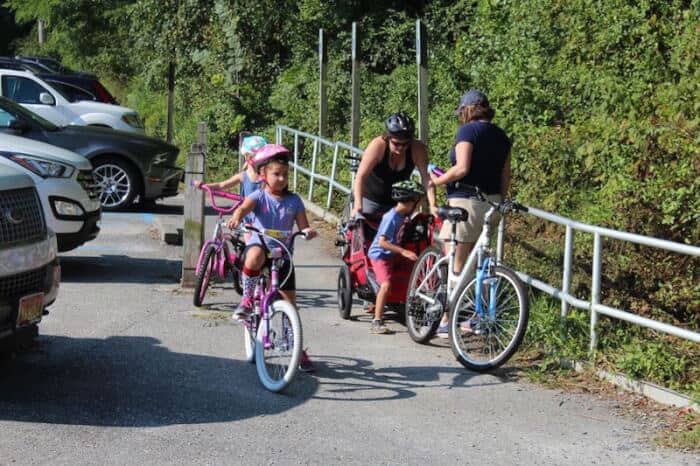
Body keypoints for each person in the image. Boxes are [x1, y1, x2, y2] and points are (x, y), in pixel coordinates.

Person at [226, 143, 317, 370]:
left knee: (290, 305)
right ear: (263, 175)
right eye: (276, 174)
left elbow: (303, 225)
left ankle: (294, 345)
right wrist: (237, 218)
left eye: (285, 175)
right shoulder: (258, 196)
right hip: (261, 247)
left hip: (282, 256)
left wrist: (307, 231)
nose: (281, 179)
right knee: (254, 254)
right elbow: (243, 208)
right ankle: (247, 299)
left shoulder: (294, 201)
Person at [429, 89, 511, 338]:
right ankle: (477, 316)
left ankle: (446, 319)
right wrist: (500, 202)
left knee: (457, 261)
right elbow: (505, 176)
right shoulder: (502, 136)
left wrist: (438, 181)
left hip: (465, 202)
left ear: (467, 110)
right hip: (493, 203)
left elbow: (462, 168)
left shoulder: (467, 132)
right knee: (478, 265)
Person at [351, 112, 437, 218]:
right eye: (396, 144)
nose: (401, 148)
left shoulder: (417, 148)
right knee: (364, 229)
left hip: (397, 204)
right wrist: (358, 206)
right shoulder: (378, 146)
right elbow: (360, 176)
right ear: (388, 137)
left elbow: (426, 179)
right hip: (370, 199)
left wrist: (433, 205)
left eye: (405, 144)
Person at [366, 180, 425, 334]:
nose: (416, 206)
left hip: (391, 254)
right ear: (409, 201)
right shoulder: (391, 217)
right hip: (380, 255)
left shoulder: (402, 216)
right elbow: (382, 242)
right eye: (416, 202)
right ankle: (377, 321)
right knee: (386, 285)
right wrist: (403, 252)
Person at [195, 135, 267, 198]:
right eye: (261, 157)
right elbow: (221, 185)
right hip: (248, 212)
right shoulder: (243, 176)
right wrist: (205, 186)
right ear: (247, 157)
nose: (263, 160)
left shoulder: (268, 174)